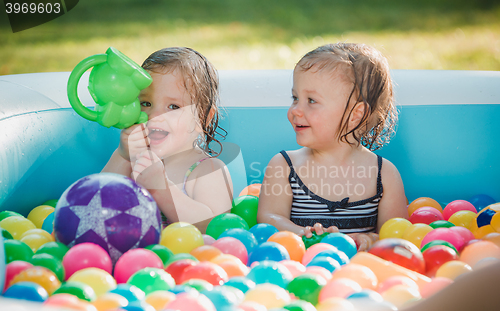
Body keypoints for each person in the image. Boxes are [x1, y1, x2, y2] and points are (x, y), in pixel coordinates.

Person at [257, 43, 408, 250]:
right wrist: (300, 233)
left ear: (356, 114)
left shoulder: (384, 175)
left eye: (311, 100)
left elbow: (397, 236)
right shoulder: (284, 166)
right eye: (295, 98)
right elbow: (268, 218)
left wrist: (370, 239)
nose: (295, 110)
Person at [102, 47, 233, 233]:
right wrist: (122, 156)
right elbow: (96, 201)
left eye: (173, 106)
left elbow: (215, 227)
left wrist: (161, 189)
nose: (154, 116)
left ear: (202, 118)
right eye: (145, 103)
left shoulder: (207, 170)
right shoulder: (133, 160)